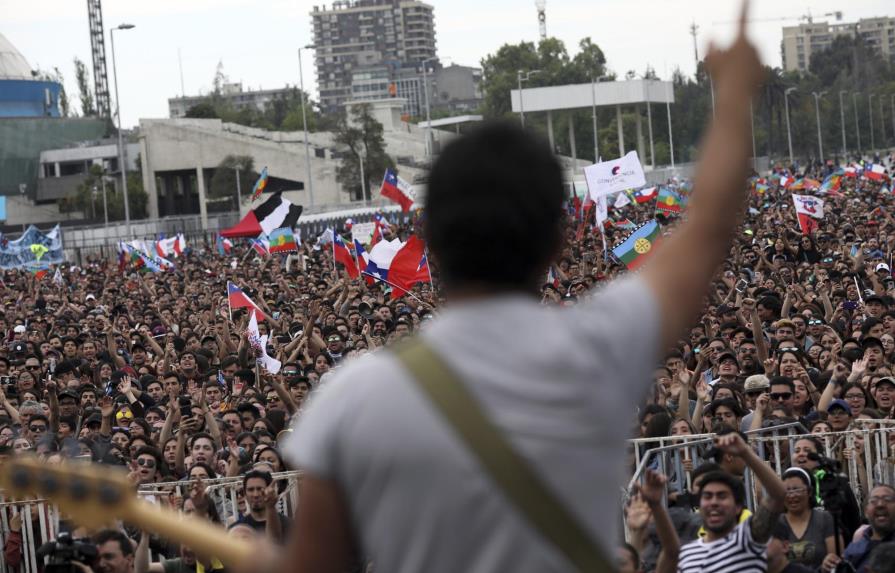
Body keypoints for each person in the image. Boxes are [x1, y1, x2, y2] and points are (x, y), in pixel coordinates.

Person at [277, 4, 766, 572]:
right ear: (558, 242)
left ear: (427, 239)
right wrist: (733, 94)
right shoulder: (596, 351)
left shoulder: (351, 398)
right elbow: (707, 228)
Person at [677, 432, 787, 573]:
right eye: (708, 496)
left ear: (738, 506)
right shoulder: (686, 554)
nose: (714, 502)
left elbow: (778, 495)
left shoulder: (748, 538)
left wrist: (745, 453)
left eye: (722, 496)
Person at [836, 485, 895, 573]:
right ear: (866, 512)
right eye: (874, 501)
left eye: (887, 499)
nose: (880, 504)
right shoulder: (853, 550)